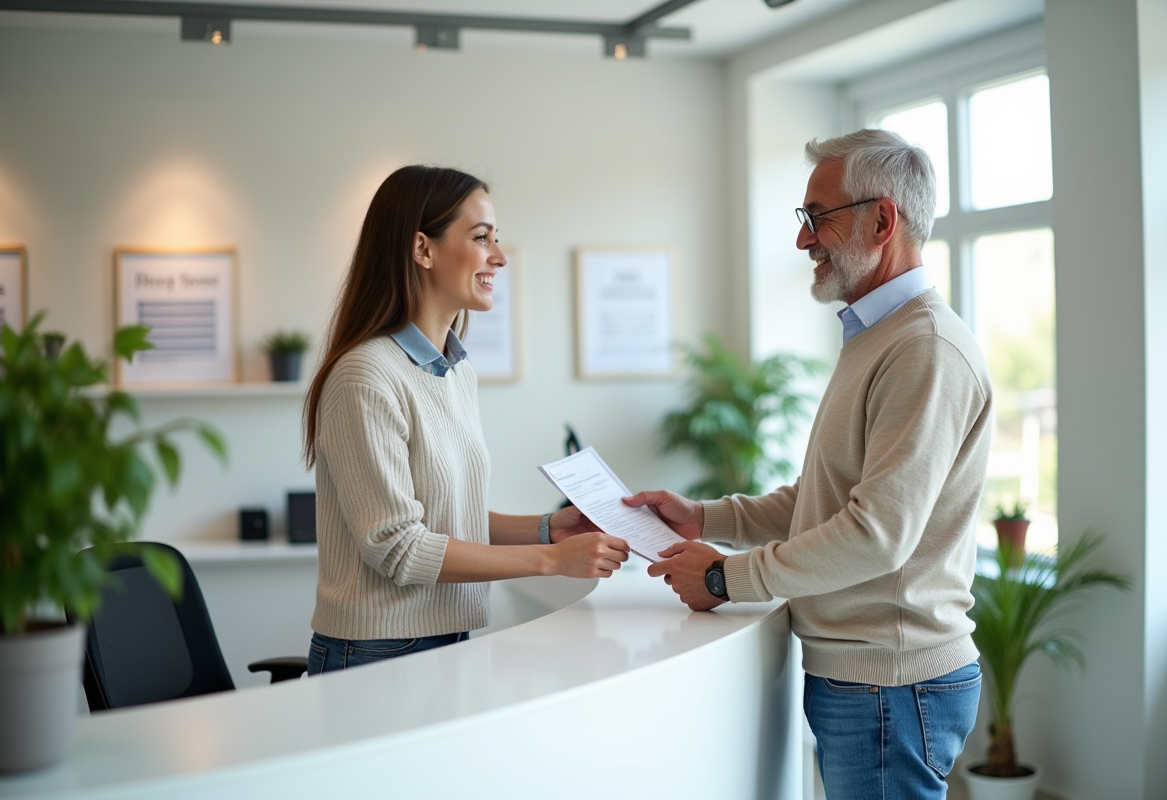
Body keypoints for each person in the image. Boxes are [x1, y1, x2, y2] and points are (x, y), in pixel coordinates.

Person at [625, 129, 993, 800]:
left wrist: (726, 576)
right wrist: (704, 517)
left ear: (883, 221)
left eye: (816, 217)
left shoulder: (925, 348)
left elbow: (877, 534)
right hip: (872, 682)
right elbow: (825, 500)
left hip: (892, 683)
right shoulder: (878, 336)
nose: (803, 240)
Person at [302, 165, 629, 675]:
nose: (499, 257)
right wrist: (549, 563)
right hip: (377, 651)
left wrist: (548, 530)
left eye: (496, 239)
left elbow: (448, 519)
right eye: (481, 238)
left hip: (451, 637)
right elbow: (399, 548)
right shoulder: (364, 377)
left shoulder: (455, 369)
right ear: (422, 249)